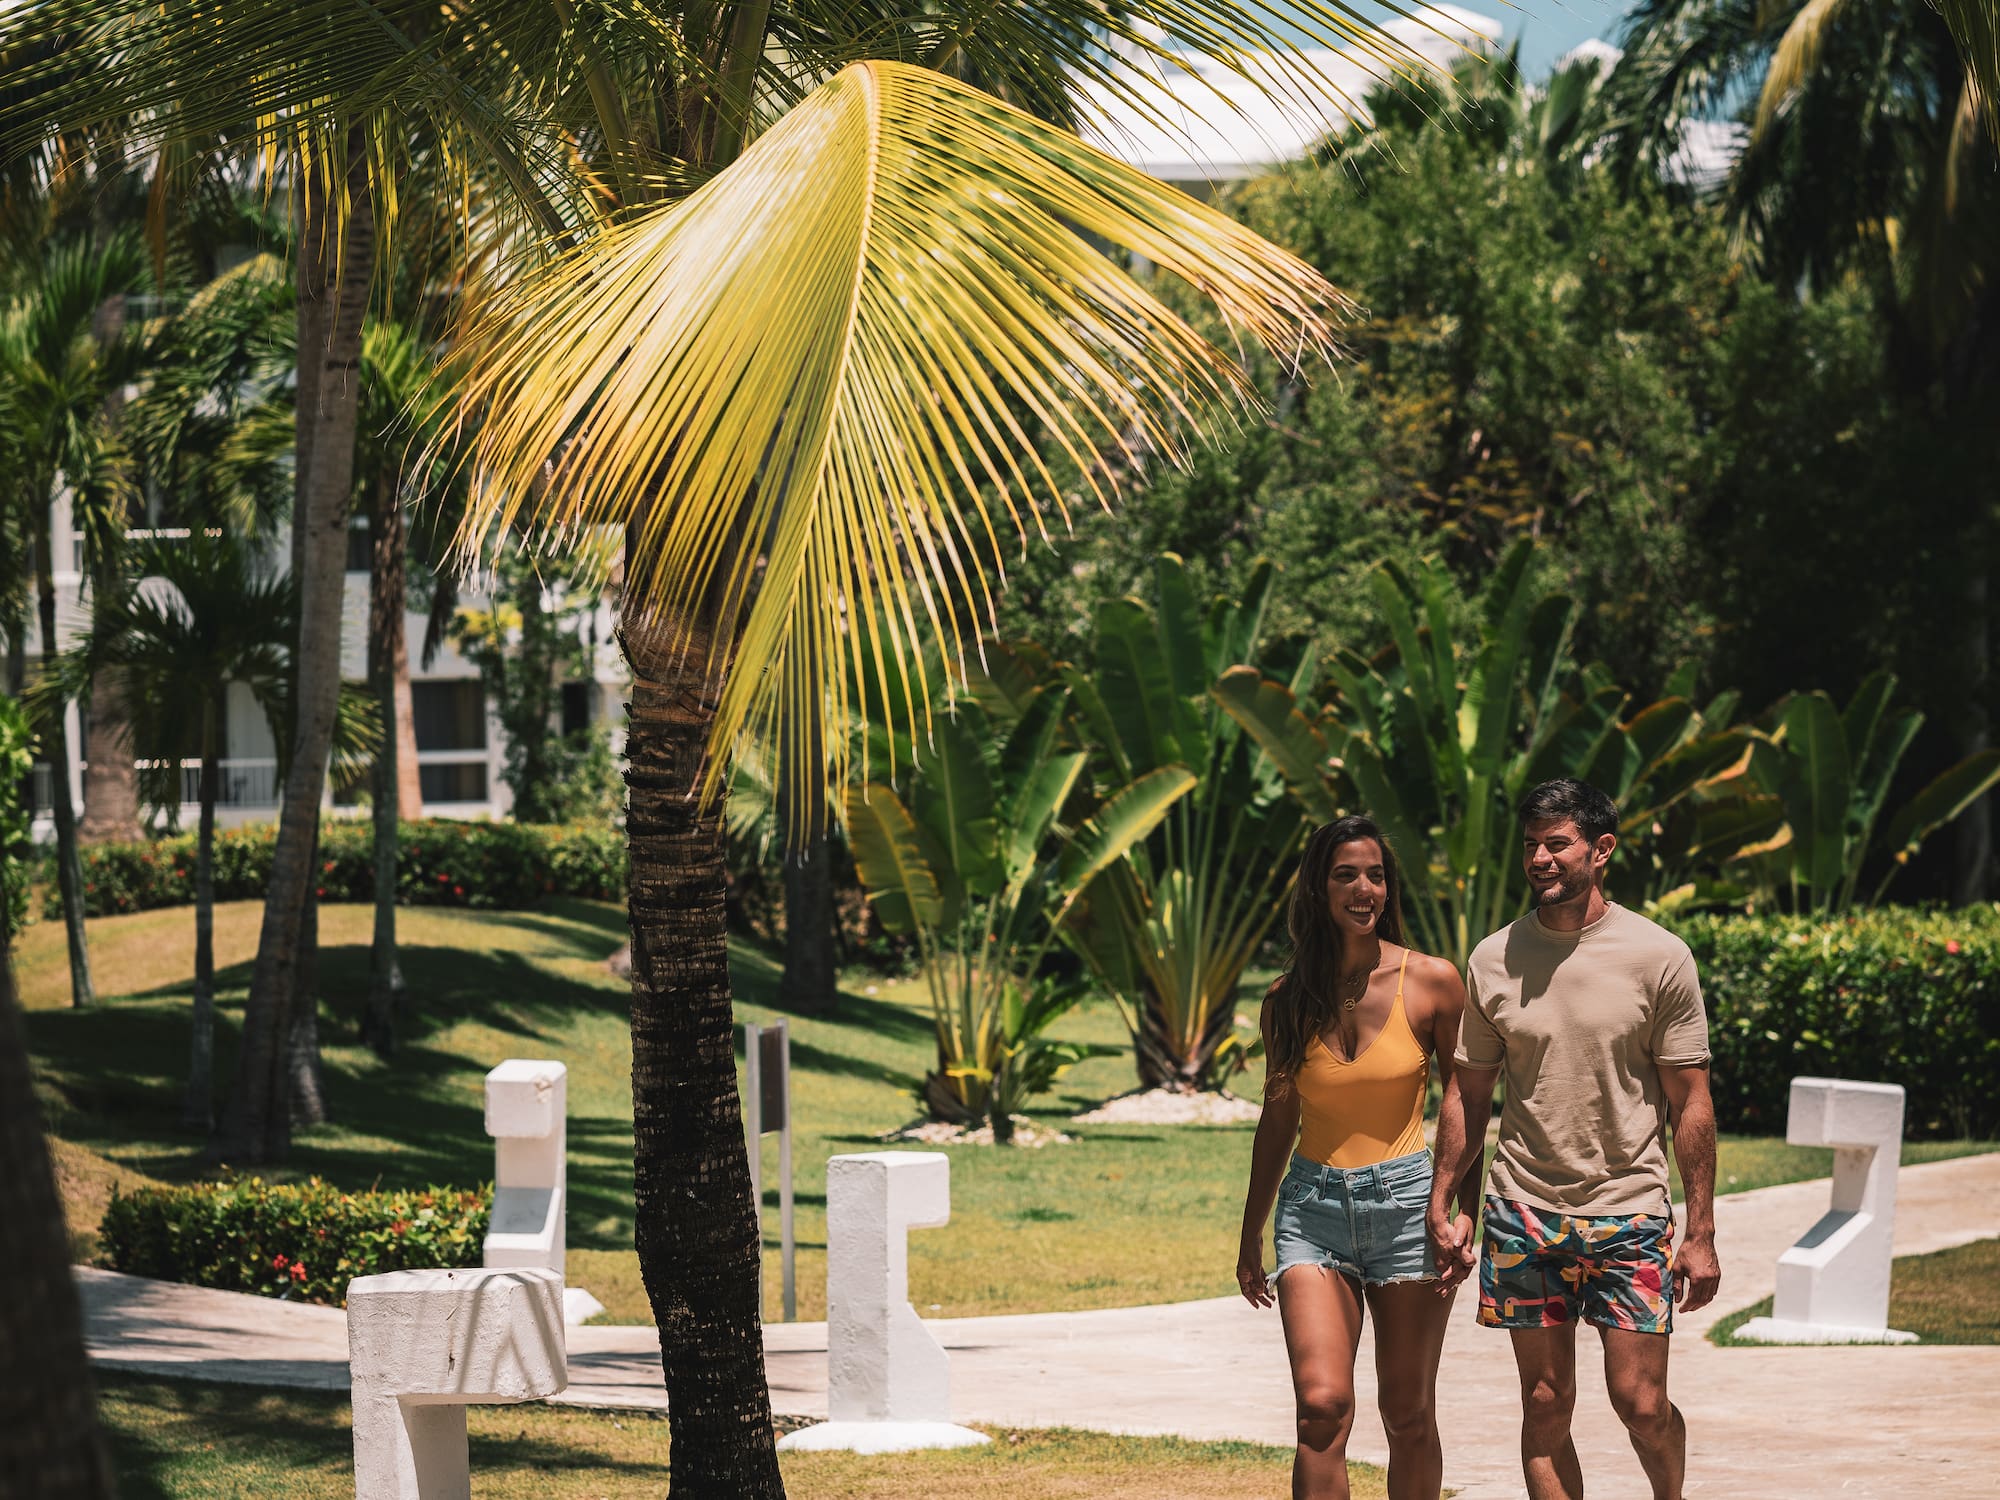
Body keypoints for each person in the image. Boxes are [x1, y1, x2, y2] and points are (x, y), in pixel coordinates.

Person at [1426, 777, 1721, 1500]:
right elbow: (1468, 1090)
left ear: (1602, 848)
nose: (1540, 858)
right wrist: (1444, 1201)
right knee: (1545, 1404)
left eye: (1556, 843)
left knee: (1641, 1405)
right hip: (1523, 1209)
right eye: (1531, 844)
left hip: (1629, 1211)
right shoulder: (1493, 958)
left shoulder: (1658, 956)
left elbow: (1691, 1100)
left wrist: (1702, 1230)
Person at [1238, 815, 1482, 1500]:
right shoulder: (1286, 1001)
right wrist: (1250, 1233)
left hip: (1407, 1207)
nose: (1363, 887)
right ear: (1319, 887)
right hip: (1311, 1210)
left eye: (1375, 874)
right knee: (1320, 1409)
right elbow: (1279, 1116)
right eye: (1345, 874)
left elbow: (1464, 1101)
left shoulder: (1431, 982)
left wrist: (1464, 1210)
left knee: (1407, 1415)